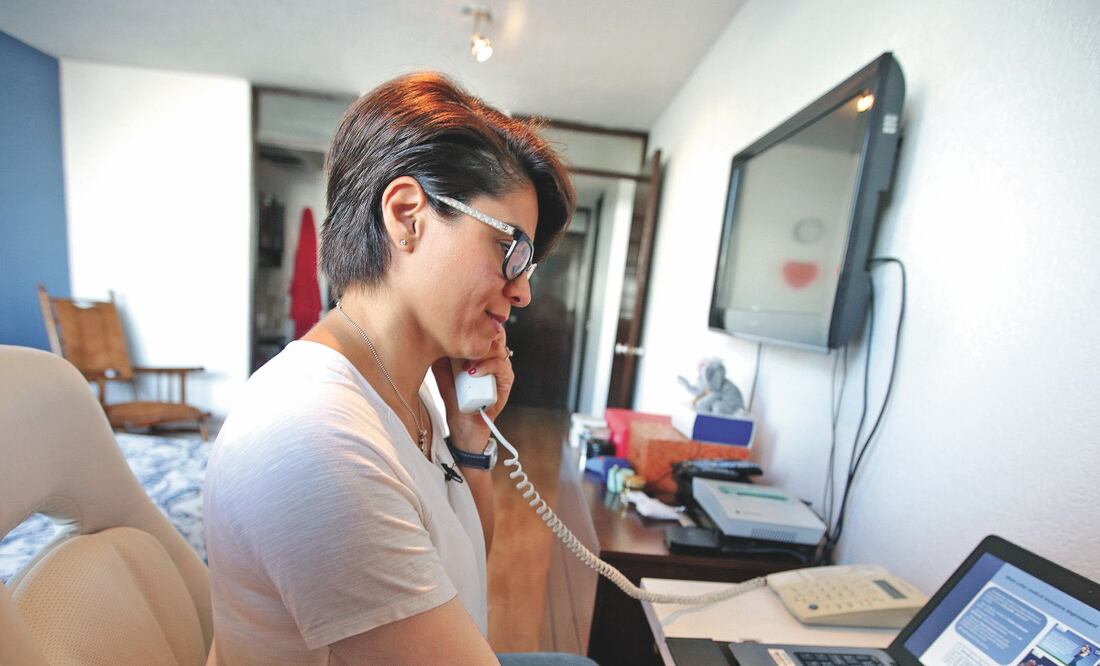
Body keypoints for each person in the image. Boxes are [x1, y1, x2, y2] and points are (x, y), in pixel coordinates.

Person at [204, 73, 593, 665]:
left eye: (529, 266)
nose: (523, 293)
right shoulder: (315, 436)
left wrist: (469, 443)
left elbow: (461, 569)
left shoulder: (415, 391)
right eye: (511, 250)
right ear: (408, 215)